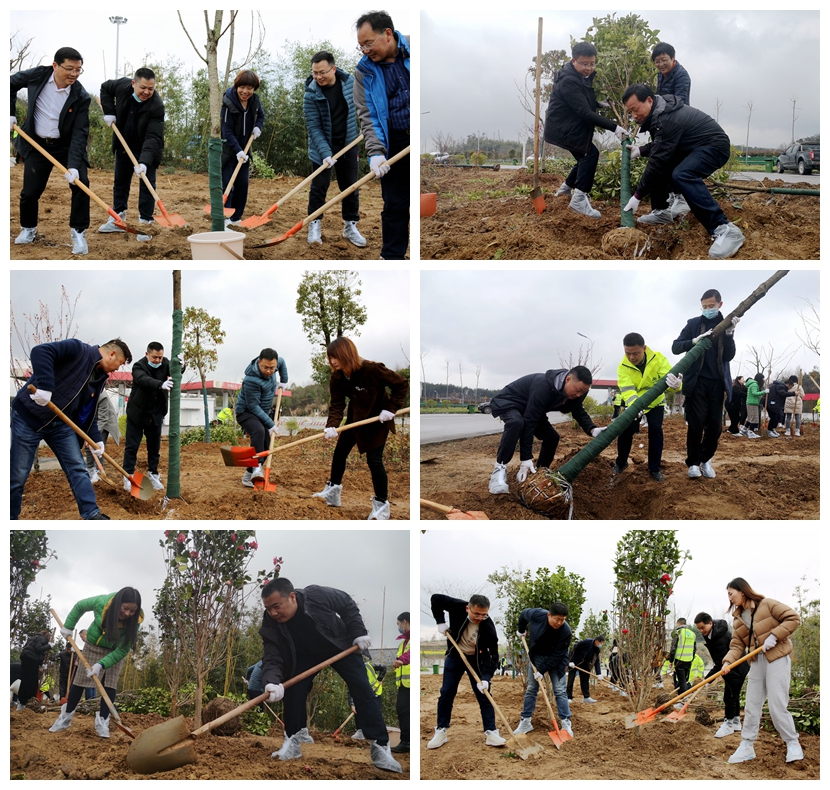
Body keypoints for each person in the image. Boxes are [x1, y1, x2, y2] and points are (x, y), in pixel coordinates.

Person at [258, 578, 401, 773]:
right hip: (303, 656)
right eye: (268, 608)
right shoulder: (271, 621)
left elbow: (346, 603)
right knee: (291, 691)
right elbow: (272, 653)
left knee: (362, 689)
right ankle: (291, 743)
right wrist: (272, 681)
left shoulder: (315, 595)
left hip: (339, 646)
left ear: (292, 597)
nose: (273, 613)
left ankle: (380, 746)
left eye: (276, 606)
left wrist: (359, 632)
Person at [11, 337, 132, 520]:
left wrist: (95, 438)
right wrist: (45, 387)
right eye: (120, 363)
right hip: (29, 417)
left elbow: (87, 411)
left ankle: (92, 514)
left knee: (77, 468)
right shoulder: (78, 350)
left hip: (60, 424)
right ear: (111, 353)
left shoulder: (99, 378)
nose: (118, 369)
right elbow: (40, 351)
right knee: (18, 476)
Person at [622, 84, 745, 258]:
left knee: (683, 174)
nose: (634, 116)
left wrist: (637, 196)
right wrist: (641, 150)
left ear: (649, 100)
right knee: (662, 165)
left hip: (714, 146)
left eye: (635, 110)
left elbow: (658, 156)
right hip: (693, 147)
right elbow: (661, 145)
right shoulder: (659, 113)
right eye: (630, 112)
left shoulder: (667, 118)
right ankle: (661, 211)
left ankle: (724, 229)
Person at [313, 337, 407, 520]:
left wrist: (390, 408)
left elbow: (401, 384)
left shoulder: (372, 369)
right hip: (355, 420)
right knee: (340, 452)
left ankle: (381, 507)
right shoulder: (337, 377)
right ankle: (333, 491)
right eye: (330, 357)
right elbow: (337, 404)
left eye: (336, 357)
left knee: (374, 460)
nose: (332, 361)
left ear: (346, 354)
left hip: (378, 420)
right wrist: (332, 425)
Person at [11, 47, 91, 255]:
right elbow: (9, 84)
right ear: (55, 65)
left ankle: (78, 233)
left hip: (65, 146)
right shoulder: (38, 75)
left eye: (79, 69)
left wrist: (73, 166)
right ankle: (28, 228)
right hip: (37, 144)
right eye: (69, 68)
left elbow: (79, 133)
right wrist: (9, 113)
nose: (74, 74)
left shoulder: (80, 95)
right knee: (30, 191)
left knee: (81, 185)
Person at [721, 577, 802, 764]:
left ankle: (792, 742)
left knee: (777, 706)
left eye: (731, 594)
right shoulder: (738, 620)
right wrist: (727, 663)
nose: (730, 599)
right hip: (757, 662)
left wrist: (775, 635)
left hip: (777, 658)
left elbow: (793, 618)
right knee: (751, 705)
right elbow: (736, 646)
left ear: (742, 591)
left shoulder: (767, 604)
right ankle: (747, 746)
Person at [486, 365, 605, 494]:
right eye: (578, 390)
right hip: (511, 401)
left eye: (583, 392)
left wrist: (592, 429)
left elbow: (577, 410)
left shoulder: (578, 392)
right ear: (568, 379)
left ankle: (540, 473)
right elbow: (529, 423)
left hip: (533, 408)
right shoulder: (543, 386)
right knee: (516, 423)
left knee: (552, 438)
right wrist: (526, 459)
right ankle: (498, 473)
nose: (579, 395)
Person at [544, 42, 626, 218]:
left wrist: (597, 104)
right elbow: (583, 112)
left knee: (584, 156)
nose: (589, 68)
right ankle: (579, 200)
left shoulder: (578, 75)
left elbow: (581, 100)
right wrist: (615, 127)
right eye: (584, 64)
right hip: (563, 127)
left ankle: (565, 190)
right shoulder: (568, 80)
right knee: (590, 155)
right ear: (573, 60)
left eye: (592, 63)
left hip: (569, 125)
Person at [353, 11, 410, 260]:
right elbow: (368, 115)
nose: (365, 50)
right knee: (395, 204)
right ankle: (391, 257)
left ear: (388, 34)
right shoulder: (364, 72)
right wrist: (375, 152)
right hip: (394, 141)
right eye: (361, 46)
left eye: (368, 43)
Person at [49, 587, 143, 738]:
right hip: (93, 646)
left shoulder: (135, 621)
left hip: (114, 651)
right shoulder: (102, 602)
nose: (127, 614)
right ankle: (65, 718)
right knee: (80, 682)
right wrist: (68, 626)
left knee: (110, 685)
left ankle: (102, 722)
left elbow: (123, 650)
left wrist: (101, 664)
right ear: (118, 602)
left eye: (132, 611)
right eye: (125, 608)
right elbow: (80, 606)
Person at [671, 289, 737, 479]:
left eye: (711, 306)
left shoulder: (725, 324)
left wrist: (730, 334)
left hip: (717, 382)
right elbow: (676, 347)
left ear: (720, 305)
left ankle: (705, 459)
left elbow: (728, 356)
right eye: (705, 306)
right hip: (696, 382)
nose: (708, 309)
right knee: (696, 424)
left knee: (715, 426)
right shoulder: (693, 324)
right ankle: (692, 463)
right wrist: (693, 341)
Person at [303, 51, 365, 248]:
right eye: (315, 73)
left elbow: (364, 106)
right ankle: (314, 224)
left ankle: (350, 226)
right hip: (322, 148)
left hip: (348, 143)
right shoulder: (311, 94)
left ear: (333, 69)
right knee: (319, 188)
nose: (318, 77)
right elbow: (313, 127)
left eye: (322, 72)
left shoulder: (350, 83)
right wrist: (325, 153)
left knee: (350, 187)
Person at [427, 593, 504, 750]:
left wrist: (486, 678)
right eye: (476, 613)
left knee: (485, 695)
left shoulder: (488, 626)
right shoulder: (457, 606)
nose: (479, 617)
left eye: (484, 614)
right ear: (468, 608)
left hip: (476, 661)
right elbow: (436, 599)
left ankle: (491, 732)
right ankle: (441, 730)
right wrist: (440, 622)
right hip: (456, 655)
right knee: (447, 692)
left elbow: (494, 656)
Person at [98, 68, 164, 234]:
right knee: (120, 181)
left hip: (146, 147)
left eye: (151, 88)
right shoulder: (122, 86)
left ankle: (146, 221)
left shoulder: (156, 105)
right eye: (143, 87)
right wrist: (109, 112)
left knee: (147, 184)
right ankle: (118, 218)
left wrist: (144, 161)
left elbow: (153, 137)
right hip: (123, 142)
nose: (147, 92)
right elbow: (105, 88)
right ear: (133, 83)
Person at [613, 333, 680, 482]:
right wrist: (635, 405)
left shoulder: (658, 359)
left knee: (656, 430)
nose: (631, 357)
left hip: (656, 402)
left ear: (644, 348)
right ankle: (621, 463)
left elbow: (669, 382)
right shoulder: (623, 366)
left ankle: (654, 468)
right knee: (626, 430)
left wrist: (676, 385)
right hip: (635, 403)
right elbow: (627, 389)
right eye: (628, 353)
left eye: (635, 353)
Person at [122, 342, 181, 492]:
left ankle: (153, 474)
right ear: (147, 354)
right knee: (132, 447)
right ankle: (128, 475)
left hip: (156, 414)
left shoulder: (165, 363)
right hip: (138, 414)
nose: (157, 360)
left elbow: (175, 371)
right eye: (154, 357)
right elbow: (142, 379)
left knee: (154, 448)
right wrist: (160, 384)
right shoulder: (138, 366)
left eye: (160, 357)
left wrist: (181, 365)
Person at [513, 603, 574, 736]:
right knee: (531, 689)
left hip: (556, 661)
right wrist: (521, 629)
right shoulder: (537, 614)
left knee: (559, 690)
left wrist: (541, 670)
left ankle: (565, 722)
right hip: (538, 656)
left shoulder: (566, 631)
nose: (559, 622)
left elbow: (558, 655)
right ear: (548, 615)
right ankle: (526, 721)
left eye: (562, 619)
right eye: (557, 619)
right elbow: (523, 614)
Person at [236, 348, 288, 488]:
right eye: (265, 367)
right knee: (258, 431)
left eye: (272, 368)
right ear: (259, 362)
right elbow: (253, 407)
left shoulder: (277, 364)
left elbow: (282, 363)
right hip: (246, 412)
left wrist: (284, 380)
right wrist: (270, 424)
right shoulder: (251, 380)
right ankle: (257, 468)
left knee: (265, 446)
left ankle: (248, 476)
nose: (269, 371)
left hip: (262, 414)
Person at [694, 611, 749, 738]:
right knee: (733, 695)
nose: (701, 631)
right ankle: (735, 722)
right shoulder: (713, 633)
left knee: (729, 696)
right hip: (733, 667)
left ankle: (729, 723)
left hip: (736, 668)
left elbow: (720, 663)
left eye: (703, 627)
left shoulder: (719, 638)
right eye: (699, 628)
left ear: (711, 623)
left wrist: (706, 680)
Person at [220, 70, 265, 227]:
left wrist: (258, 127)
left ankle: (236, 218)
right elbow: (226, 131)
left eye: (250, 88)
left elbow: (261, 116)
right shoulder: (228, 103)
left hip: (245, 151)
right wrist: (238, 150)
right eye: (242, 87)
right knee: (227, 184)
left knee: (242, 185)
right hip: (228, 151)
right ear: (236, 85)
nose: (245, 91)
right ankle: (225, 220)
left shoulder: (254, 101)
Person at [84, 390, 120, 483]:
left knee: (98, 447)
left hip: (104, 422)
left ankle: (99, 471)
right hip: (91, 421)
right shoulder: (83, 394)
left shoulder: (102, 397)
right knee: (87, 447)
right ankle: (91, 470)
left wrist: (93, 436)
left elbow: (103, 419)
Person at [17, 630, 53, 710]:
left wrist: (41, 664)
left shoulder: (33, 638)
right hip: (31, 660)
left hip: (25, 657)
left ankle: (22, 702)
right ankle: (30, 702)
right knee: (32, 682)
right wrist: (49, 646)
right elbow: (38, 648)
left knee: (25, 680)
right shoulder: (41, 638)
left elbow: (36, 651)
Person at [391, 612, 410, 754]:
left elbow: (410, 654)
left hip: (410, 684)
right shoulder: (404, 642)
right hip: (404, 684)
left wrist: (401, 660)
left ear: (404, 621)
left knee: (404, 711)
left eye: (399, 624)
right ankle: (406, 741)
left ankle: (406, 742)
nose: (399, 627)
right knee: (403, 711)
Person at [567, 636, 604, 703]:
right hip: (574, 663)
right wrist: (571, 661)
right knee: (571, 680)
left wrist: (599, 673)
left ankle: (586, 697)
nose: (601, 645)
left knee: (585, 681)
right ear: (597, 641)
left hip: (585, 664)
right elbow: (575, 647)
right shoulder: (587, 642)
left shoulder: (597, 650)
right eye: (601, 643)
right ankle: (569, 697)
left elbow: (596, 661)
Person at [652, 42, 691, 106]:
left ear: (673, 57)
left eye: (664, 60)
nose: (661, 64)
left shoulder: (682, 75)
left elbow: (681, 102)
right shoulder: (661, 73)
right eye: (657, 62)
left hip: (678, 113)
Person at [668, 618, 696, 698]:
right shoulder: (692, 633)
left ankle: (683, 699)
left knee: (682, 681)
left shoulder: (678, 633)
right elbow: (694, 649)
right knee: (686, 680)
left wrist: (671, 660)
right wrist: (692, 658)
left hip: (679, 660)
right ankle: (683, 697)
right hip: (689, 660)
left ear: (679, 624)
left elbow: (673, 648)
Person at [744, 373, 766, 439]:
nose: (763, 380)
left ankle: (744, 429)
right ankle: (751, 432)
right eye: (762, 379)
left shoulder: (753, 384)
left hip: (751, 402)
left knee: (750, 418)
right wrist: (764, 392)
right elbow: (754, 393)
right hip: (752, 403)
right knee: (754, 418)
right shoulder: (754, 384)